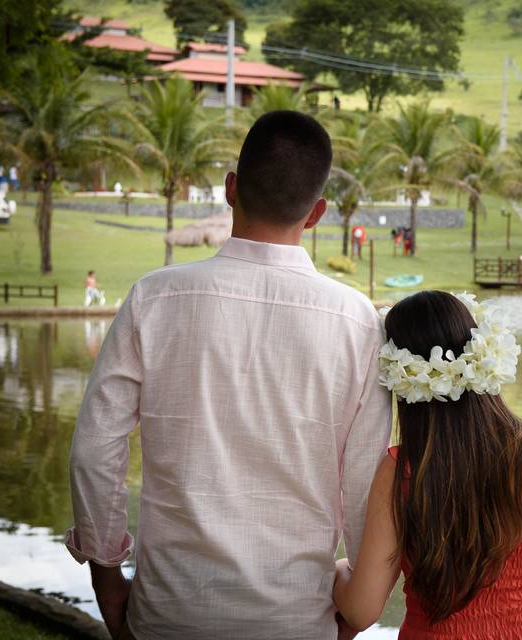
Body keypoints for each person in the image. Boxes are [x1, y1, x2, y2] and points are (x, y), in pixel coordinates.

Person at [65, 110, 392, 640]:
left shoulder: (155, 298)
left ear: (230, 188)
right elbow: (367, 490)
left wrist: (108, 581)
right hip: (296, 620)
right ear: (317, 214)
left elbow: (95, 449)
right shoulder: (357, 323)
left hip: (167, 615)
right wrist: (352, 615)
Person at [333, 291, 522, 639]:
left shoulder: (403, 472)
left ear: (398, 378)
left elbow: (361, 610)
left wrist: (336, 573)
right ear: (481, 350)